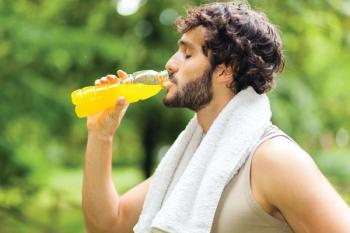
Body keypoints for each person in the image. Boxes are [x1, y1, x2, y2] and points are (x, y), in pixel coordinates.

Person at [82, 2, 350, 233]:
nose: (170, 63)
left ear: (225, 71)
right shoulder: (196, 160)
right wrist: (101, 134)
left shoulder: (274, 159)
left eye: (187, 54)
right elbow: (109, 225)